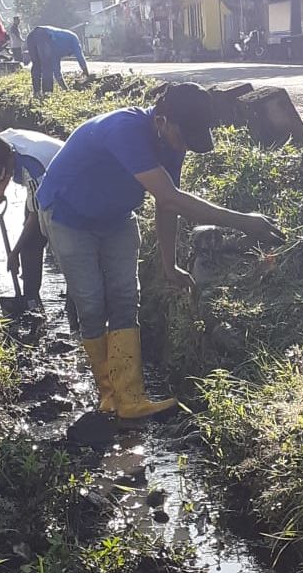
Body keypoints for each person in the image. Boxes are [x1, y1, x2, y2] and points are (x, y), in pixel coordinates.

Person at [36, 82, 284, 420]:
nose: (183, 146)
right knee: (92, 302)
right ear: (162, 119)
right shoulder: (124, 129)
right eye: (183, 137)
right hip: (67, 214)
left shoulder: (173, 140)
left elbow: (167, 207)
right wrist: (244, 222)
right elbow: (169, 197)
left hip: (117, 216)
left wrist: (169, 265)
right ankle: (107, 395)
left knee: (125, 297)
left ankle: (131, 398)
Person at [0, 129, 78, 326]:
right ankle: (32, 299)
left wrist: (14, 252)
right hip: (46, 182)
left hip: (69, 187)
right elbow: (5, 165)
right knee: (31, 243)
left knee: (66, 249)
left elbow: (34, 216)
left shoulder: (34, 170)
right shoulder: (0, 143)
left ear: (10, 161)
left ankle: (74, 305)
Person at [25, 25, 89, 96]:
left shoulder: (56, 52)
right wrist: (85, 71)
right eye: (69, 54)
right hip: (45, 35)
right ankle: (47, 93)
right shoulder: (74, 39)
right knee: (47, 65)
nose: (68, 55)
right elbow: (80, 56)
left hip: (31, 36)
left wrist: (66, 89)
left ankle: (36, 92)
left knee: (37, 64)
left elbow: (57, 73)